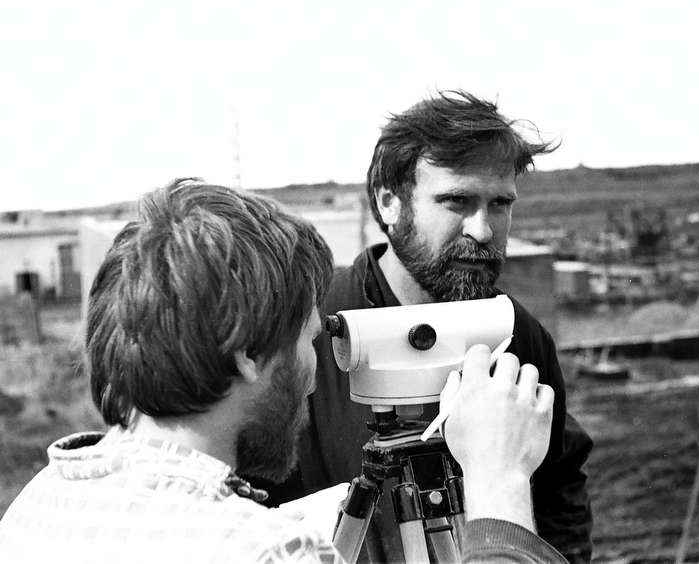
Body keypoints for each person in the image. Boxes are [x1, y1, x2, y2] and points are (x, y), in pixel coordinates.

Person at [0, 178, 567, 563]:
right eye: (307, 340)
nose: (315, 372)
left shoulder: (37, 505)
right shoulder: (268, 550)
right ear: (247, 353)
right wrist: (499, 479)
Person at [278, 91, 594, 563]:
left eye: (500, 204)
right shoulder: (310, 333)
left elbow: (559, 490)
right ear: (389, 202)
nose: (482, 230)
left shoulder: (518, 334)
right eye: (456, 201)